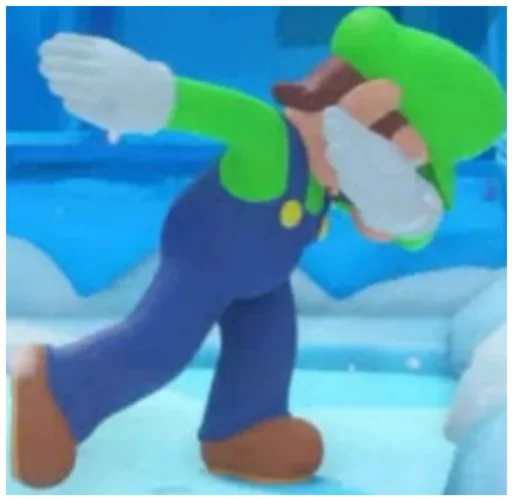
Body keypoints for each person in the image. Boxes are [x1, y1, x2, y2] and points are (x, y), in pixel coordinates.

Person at [11, 6, 506, 489]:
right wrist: (156, 95)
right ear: (366, 109)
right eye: (401, 158)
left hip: (264, 275)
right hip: (205, 260)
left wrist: (402, 206)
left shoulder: (323, 177)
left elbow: (405, 227)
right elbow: (235, 116)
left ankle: (244, 427)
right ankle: (61, 385)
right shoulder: (276, 143)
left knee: (267, 348)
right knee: (161, 345)